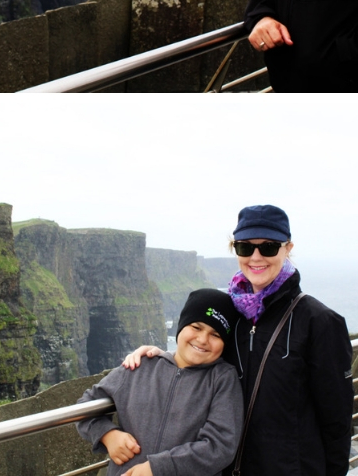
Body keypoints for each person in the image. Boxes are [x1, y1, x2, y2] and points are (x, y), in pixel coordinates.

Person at [124, 204, 353, 476]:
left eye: (268, 247)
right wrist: (161, 356)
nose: (256, 257)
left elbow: (337, 423)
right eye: (245, 247)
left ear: (287, 248)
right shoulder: (233, 316)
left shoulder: (320, 322)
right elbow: (201, 355)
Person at [76, 289, 243, 476]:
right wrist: (107, 434)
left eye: (216, 335)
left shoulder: (222, 379)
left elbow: (220, 446)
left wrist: (158, 468)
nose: (203, 339)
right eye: (196, 327)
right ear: (181, 326)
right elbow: (85, 407)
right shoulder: (139, 367)